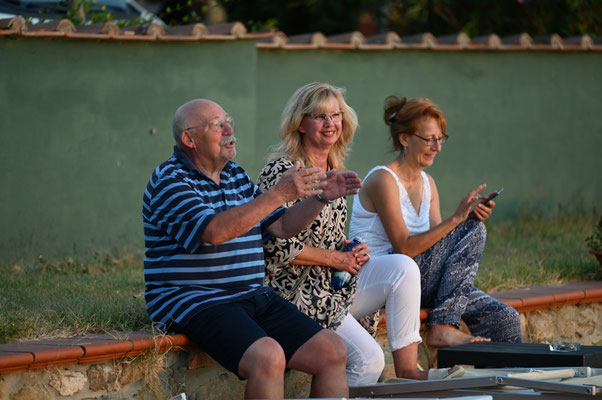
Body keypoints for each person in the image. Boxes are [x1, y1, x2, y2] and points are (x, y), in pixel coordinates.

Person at [142, 98, 364, 399]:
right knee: (268, 356)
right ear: (189, 139)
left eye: (227, 120)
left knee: (332, 351)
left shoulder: (235, 175)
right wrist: (278, 194)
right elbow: (215, 232)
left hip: (250, 293)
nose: (229, 130)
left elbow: (282, 227)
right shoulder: (169, 180)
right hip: (195, 298)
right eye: (217, 125)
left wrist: (320, 199)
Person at [257, 83, 454, 385]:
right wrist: (337, 258)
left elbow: (326, 238)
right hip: (295, 292)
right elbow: (276, 248)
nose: (330, 123)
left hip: (332, 284)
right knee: (369, 359)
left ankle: (409, 370)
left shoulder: (334, 168)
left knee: (403, 268)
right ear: (300, 123)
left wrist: (353, 250)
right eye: (320, 116)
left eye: (336, 115)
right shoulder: (283, 170)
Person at [349, 95, 522, 349]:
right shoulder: (383, 180)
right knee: (473, 229)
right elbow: (404, 248)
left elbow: (440, 247)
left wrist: (468, 218)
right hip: (384, 279)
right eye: (430, 139)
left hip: (421, 280)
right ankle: (442, 327)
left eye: (440, 139)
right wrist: (458, 221)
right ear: (404, 138)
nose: (437, 147)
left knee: (505, 317)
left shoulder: (428, 183)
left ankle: (504, 384)